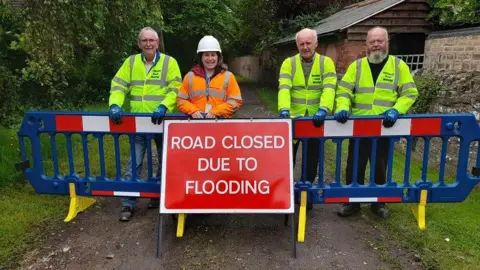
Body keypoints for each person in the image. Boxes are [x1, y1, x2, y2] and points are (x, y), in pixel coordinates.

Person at [334, 26, 419, 218]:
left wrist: (396, 110)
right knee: (354, 166)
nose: (376, 45)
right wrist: (342, 107)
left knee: (380, 167)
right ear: (366, 45)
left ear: (387, 43)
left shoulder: (399, 66)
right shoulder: (356, 66)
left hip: (384, 127)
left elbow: (409, 93)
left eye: (380, 41)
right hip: (359, 127)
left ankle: (379, 203)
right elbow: (344, 91)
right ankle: (351, 204)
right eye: (372, 41)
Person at [108, 27, 182, 221]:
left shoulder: (169, 62)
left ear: (158, 43)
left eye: (152, 40)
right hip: (138, 122)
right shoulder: (131, 62)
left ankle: (158, 196)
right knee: (135, 162)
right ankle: (127, 203)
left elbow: (175, 89)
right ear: (139, 43)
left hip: (161, 122)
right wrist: (115, 104)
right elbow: (118, 85)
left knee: (164, 161)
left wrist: (164, 106)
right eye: (144, 40)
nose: (148, 43)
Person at [277, 28, 337, 209]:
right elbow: (284, 87)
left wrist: (324, 109)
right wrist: (284, 110)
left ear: (316, 44)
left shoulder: (326, 63)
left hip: (314, 119)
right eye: (301, 44)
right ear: (297, 45)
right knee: (287, 157)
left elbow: (329, 87)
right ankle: (285, 192)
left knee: (311, 157)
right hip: (293, 119)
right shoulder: (289, 63)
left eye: (308, 43)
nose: (305, 47)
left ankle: (306, 192)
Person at [177, 35, 242, 118]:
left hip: (220, 123)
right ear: (201, 57)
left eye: (213, 55)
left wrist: (217, 111)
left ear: (218, 57)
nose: (210, 58)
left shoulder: (228, 76)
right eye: (206, 55)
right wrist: (192, 110)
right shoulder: (190, 76)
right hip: (195, 124)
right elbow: (180, 100)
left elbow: (235, 101)